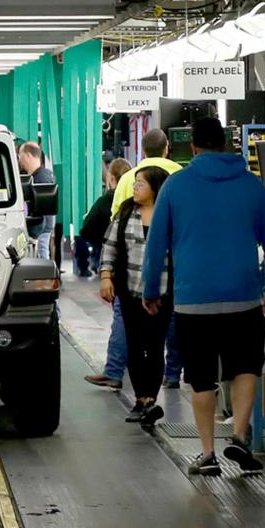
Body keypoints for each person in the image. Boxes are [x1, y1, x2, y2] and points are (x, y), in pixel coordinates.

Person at [141, 116, 265, 476]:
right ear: (225, 144)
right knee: (246, 366)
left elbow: (155, 246)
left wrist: (151, 290)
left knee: (201, 376)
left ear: (193, 148)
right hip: (244, 297)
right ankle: (238, 435)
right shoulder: (252, 186)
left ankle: (207, 454)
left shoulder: (176, 186)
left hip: (194, 299)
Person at [99, 166, 172, 428]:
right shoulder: (127, 212)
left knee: (154, 346)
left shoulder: (169, 215)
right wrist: (106, 277)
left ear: (155, 188)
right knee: (134, 344)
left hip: (162, 293)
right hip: (129, 292)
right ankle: (141, 399)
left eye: (140, 183)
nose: (135, 188)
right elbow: (110, 247)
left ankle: (149, 398)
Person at [75, 157, 132, 277]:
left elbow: (86, 231)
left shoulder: (104, 201)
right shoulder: (136, 200)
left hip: (109, 261)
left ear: (111, 178)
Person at [110, 127, 182, 217]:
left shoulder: (126, 179)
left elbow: (115, 214)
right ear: (166, 149)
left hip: (134, 230)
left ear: (144, 151)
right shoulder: (182, 176)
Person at [17, 141, 56, 260]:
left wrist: (35, 234)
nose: (19, 160)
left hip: (40, 230)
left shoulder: (41, 178)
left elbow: (42, 209)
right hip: (41, 229)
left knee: (41, 260)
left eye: (20, 156)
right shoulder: (40, 176)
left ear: (28, 155)